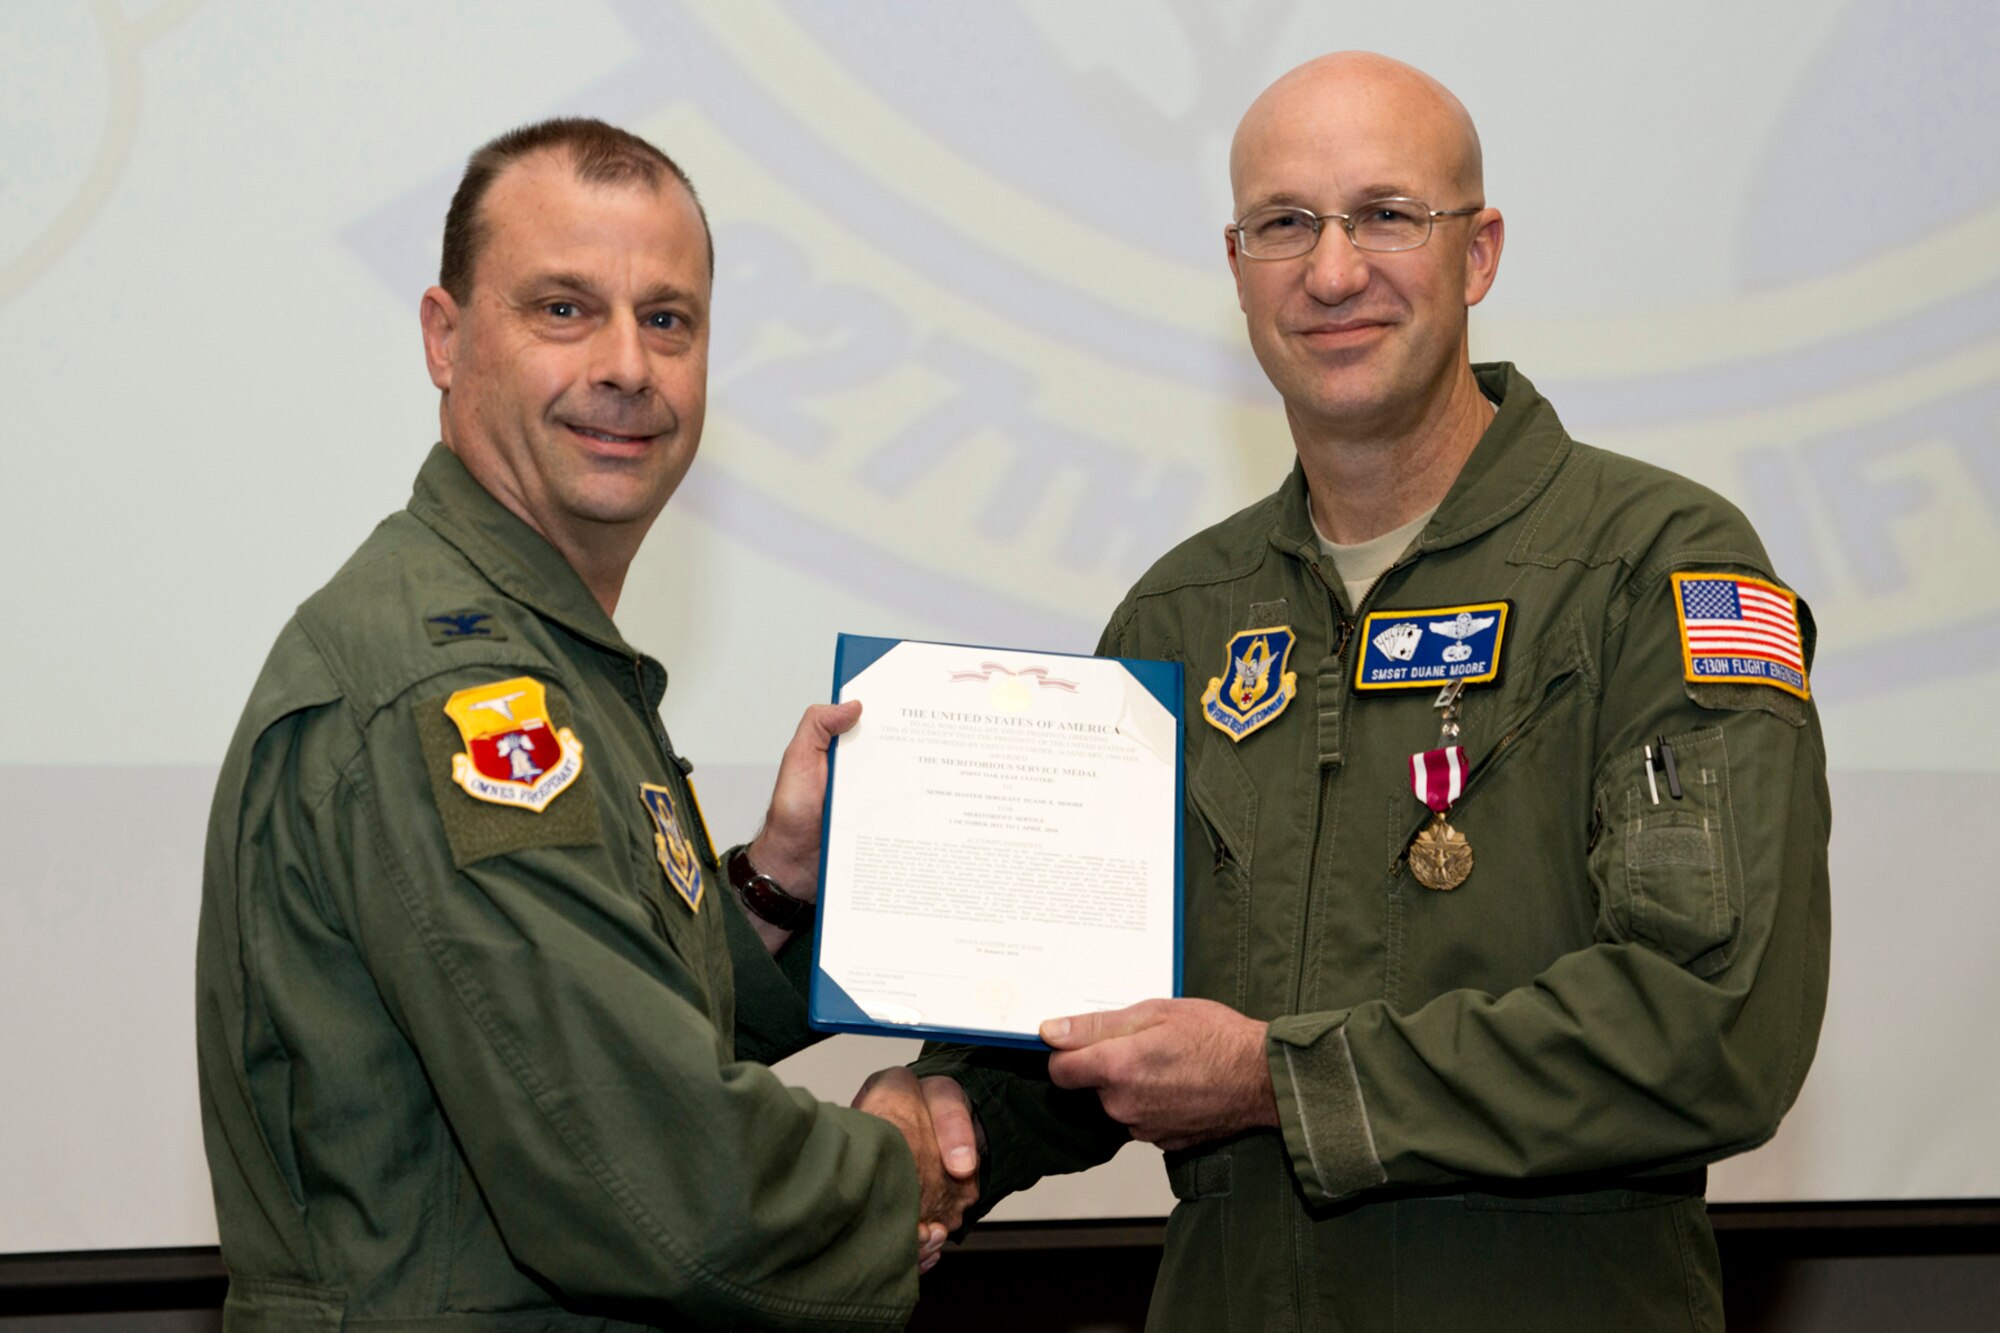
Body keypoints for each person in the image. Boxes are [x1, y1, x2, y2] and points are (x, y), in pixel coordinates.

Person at [874, 52, 1832, 1331]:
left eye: (1385, 215)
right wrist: (935, 1122)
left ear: (1477, 254)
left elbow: (1714, 1030)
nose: (1330, 272)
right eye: (1283, 225)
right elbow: (1082, 1020)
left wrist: (1279, 1080)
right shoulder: (1178, 616)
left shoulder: (1654, 565)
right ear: (1236, 269)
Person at [195, 118, 971, 1331]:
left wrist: (772, 886)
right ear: (445, 339)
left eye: (668, 320)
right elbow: (653, 1181)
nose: (626, 365)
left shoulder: (545, 652)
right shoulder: (456, 699)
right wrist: (901, 1160)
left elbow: (592, 1018)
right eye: (563, 309)